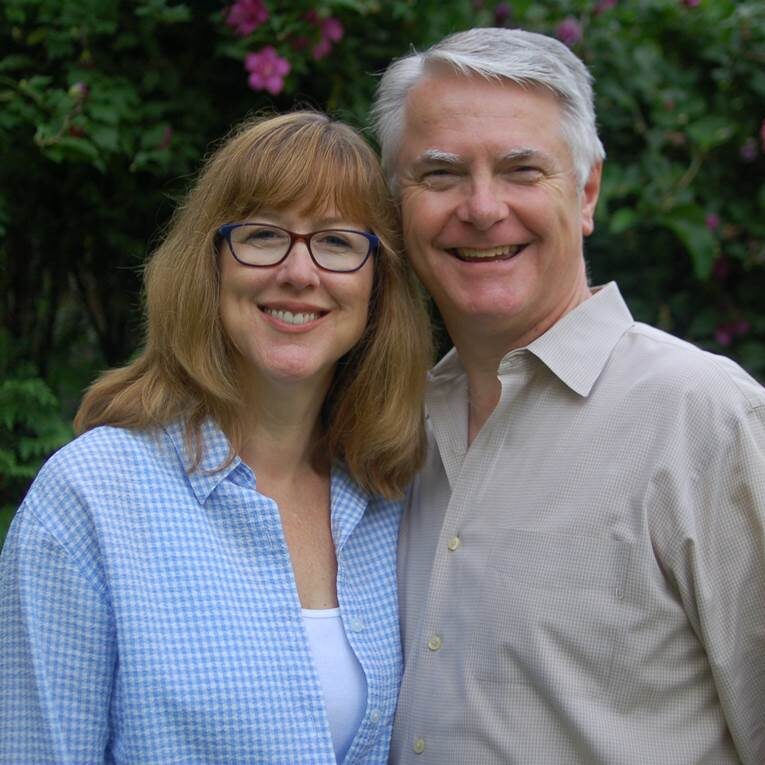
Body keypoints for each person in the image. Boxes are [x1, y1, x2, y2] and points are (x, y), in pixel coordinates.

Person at [372, 27, 765, 764]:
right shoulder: (391, 431)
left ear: (585, 192)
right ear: (397, 203)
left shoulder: (705, 419)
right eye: (440, 174)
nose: (482, 207)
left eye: (522, 170)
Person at [0, 111, 432, 764]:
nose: (298, 271)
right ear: (210, 262)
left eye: (337, 243)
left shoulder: (388, 498)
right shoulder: (91, 497)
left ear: (378, 283)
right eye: (262, 235)